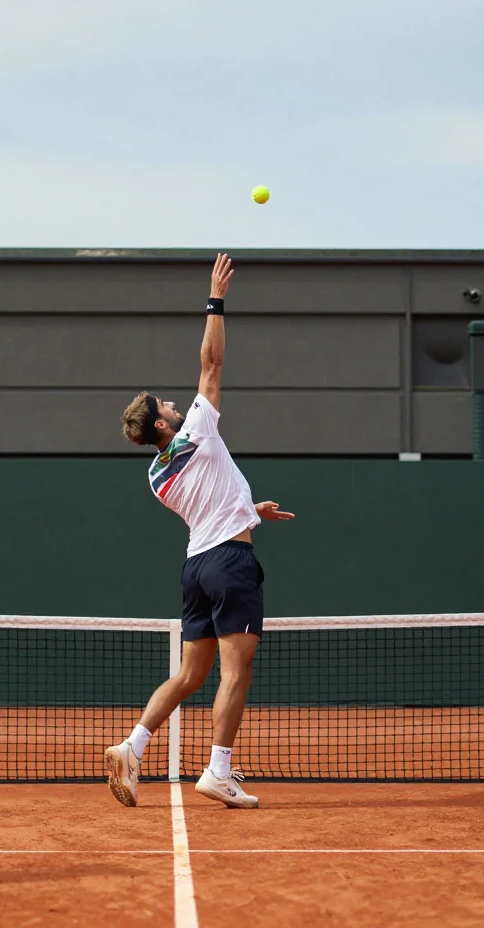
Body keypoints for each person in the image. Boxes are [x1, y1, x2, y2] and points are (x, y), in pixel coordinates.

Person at [104, 253, 294, 810]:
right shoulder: (197, 433)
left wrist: (248, 510)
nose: (174, 403)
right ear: (165, 425)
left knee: (191, 673)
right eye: (167, 405)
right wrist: (216, 298)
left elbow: (207, 507)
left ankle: (132, 745)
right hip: (231, 565)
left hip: (197, 568)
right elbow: (211, 363)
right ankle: (218, 770)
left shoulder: (155, 474)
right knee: (237, 670)